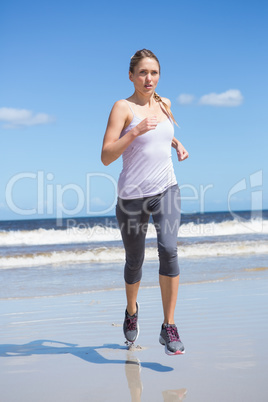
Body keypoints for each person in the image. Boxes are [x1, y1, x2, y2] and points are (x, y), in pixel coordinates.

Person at [101, 49, 189, 355]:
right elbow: (106, 156)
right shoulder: (122, 107)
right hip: (131, 197)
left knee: (168, 248)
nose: (148, 78)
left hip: (166, 188)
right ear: (131, 75)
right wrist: (135, 130)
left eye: (153, 72)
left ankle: (169, 326)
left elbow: (161, 134)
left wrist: (176, 142)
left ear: (159, 76)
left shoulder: (164, 104)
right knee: (135, 261)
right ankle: (131, 310)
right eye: (142, 72)